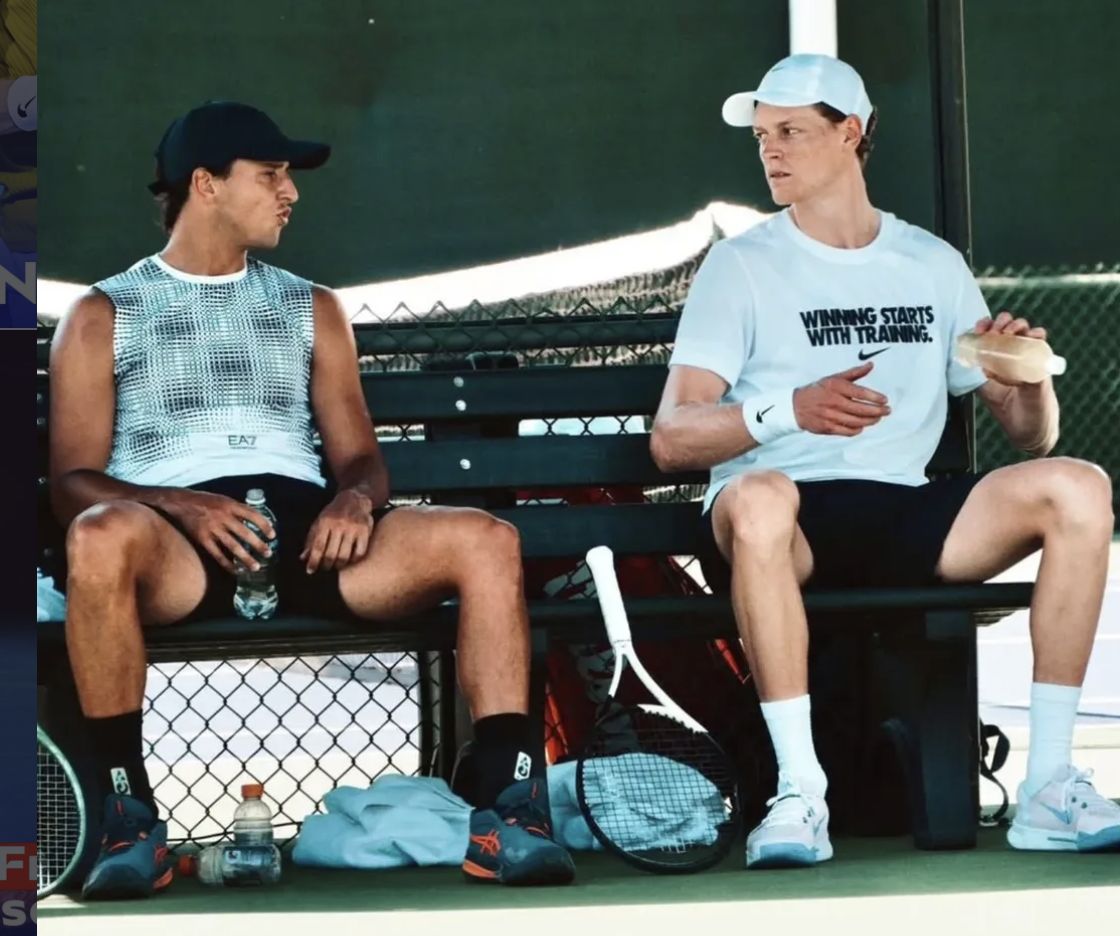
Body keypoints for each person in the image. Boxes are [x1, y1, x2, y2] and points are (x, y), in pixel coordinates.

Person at [49, 101, 575, 898]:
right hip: (171, 544)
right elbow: (71, 483)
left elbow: (360, 458)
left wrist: (354, 502)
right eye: (270, 175)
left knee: (486, 538)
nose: (289, 193)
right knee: (96, 533)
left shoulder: (314, 306)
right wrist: (181, 505)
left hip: (311, 536)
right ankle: (128, 817)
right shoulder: (102, 312)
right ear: (205, 184)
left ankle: (509, 810)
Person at [651, 54, 1118, 868]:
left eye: (791, 131)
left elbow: (1030, 436)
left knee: (1080, 487)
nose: (771, 151)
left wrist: (1028, 376)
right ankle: (800, 792)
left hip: (905, 508)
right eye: (762, 136)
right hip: (781, 519)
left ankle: (1049, 784)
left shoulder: (932, 262)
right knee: (759, 498)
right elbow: (671, 435)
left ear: (852, 133)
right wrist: (787, 411)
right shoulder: (740, 264)